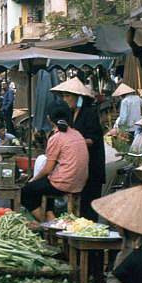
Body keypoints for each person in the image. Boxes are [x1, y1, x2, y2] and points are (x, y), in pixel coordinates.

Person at [20, 105, 89, 222]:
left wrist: (33, 179)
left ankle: (48, 222)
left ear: (49, 119)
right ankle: (50, 214)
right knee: (45, 183)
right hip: (80, 182)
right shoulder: (77, 134)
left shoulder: (56, 137)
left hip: (64, 183)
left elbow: (47, 168)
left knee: (26, 191)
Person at [51, 76, 105, 221]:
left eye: (68, 96)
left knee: (90, 201)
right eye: (64, 96)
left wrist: (73, 143)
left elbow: (93, 139)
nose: (65, 99)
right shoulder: (70, 114)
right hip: (79, 164)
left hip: (92, 163)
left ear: (78, 97)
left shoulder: (89, 113)